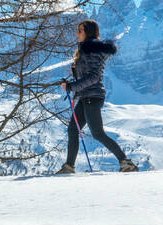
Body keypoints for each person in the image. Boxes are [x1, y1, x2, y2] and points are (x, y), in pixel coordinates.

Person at [54, 20, 138, 174]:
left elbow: (93, 77)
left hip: (92, 96)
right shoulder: (87, 49)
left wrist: (72, 86)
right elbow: (88, 74)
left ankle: (126, 162)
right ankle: (69, 166)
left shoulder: (90, 49)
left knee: (97, 133)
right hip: (87, 95)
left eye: (80, 30)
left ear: (88, 32)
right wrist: (75, 73)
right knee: (73, 129)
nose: (77, 34)